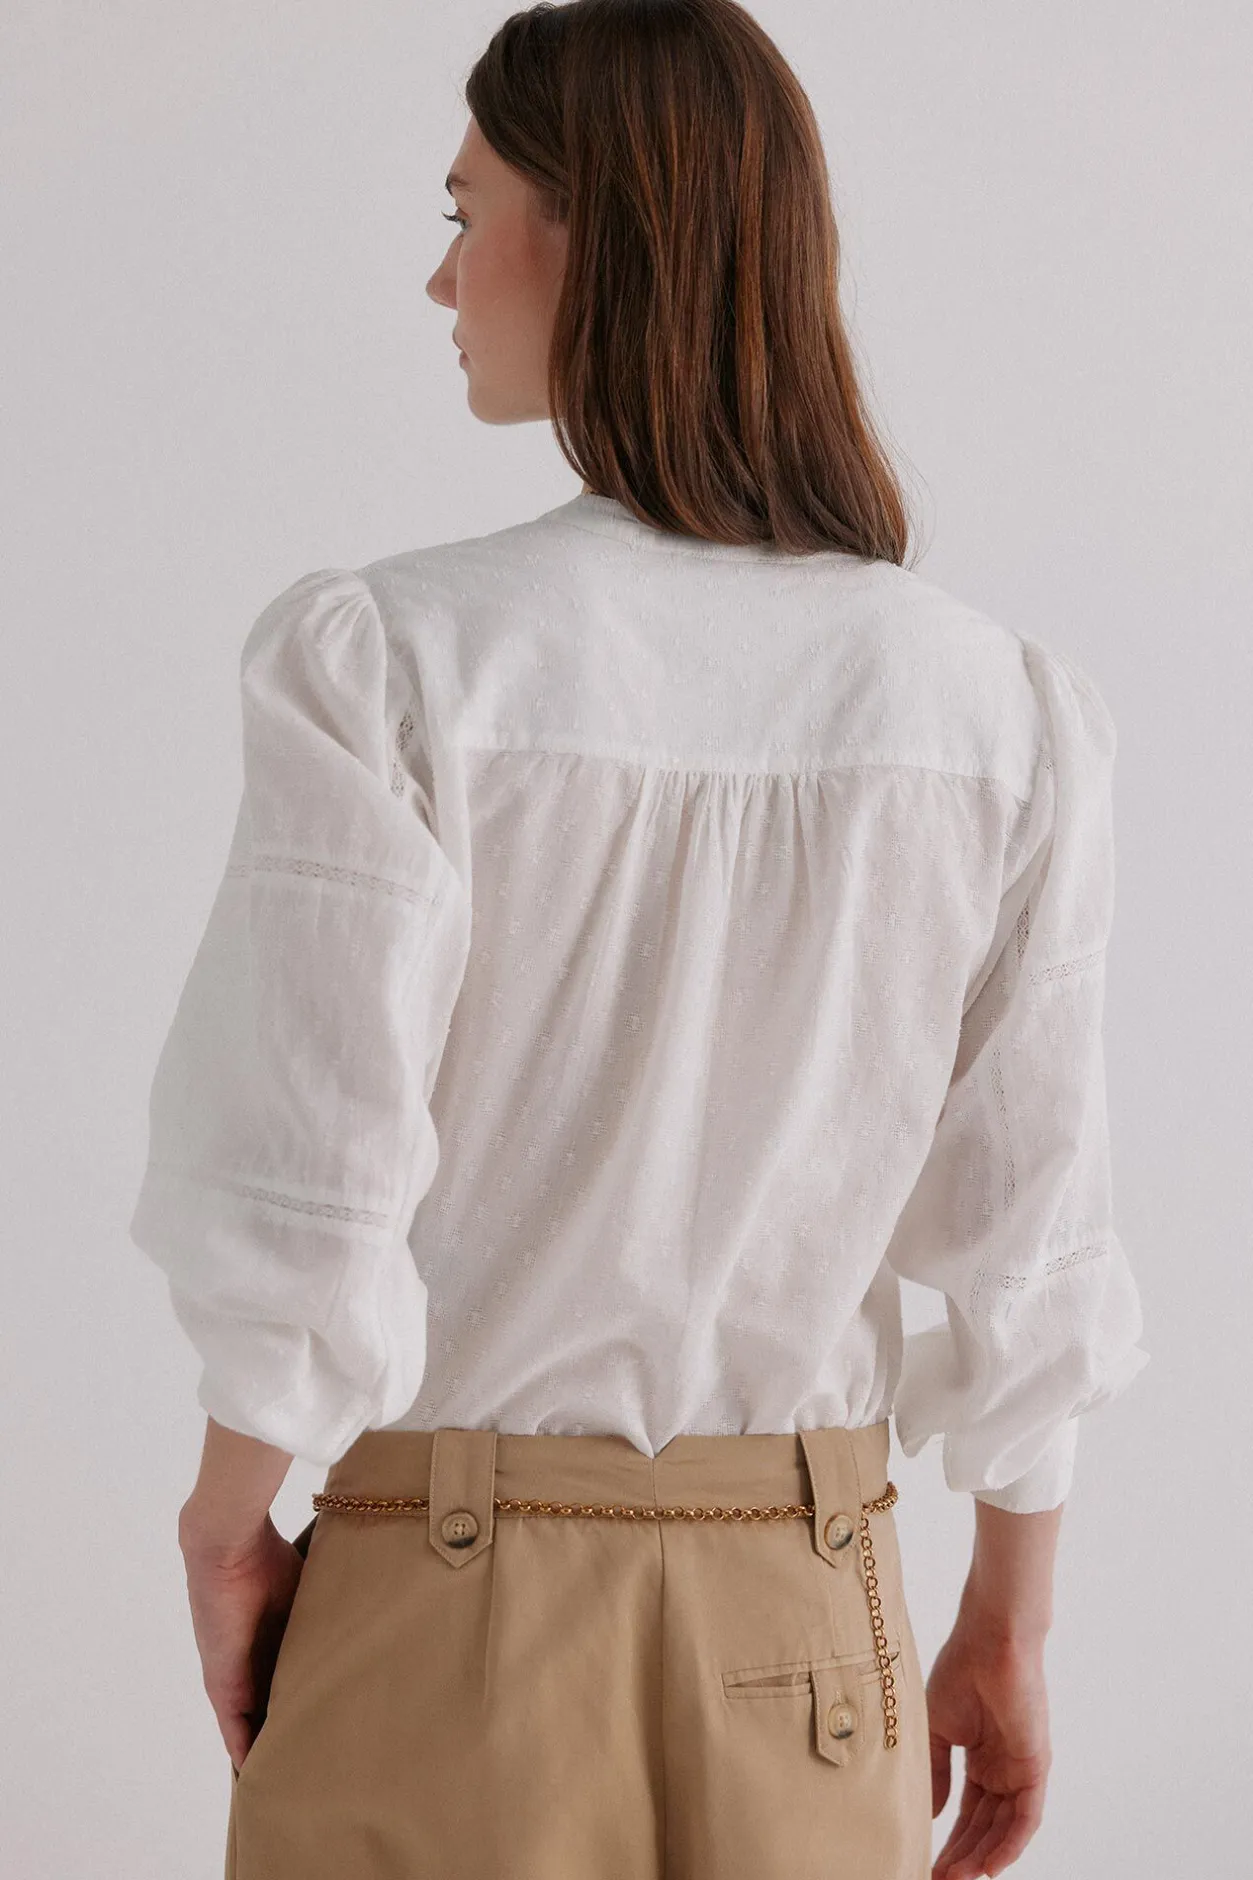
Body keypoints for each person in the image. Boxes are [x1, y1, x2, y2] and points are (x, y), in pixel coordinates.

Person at [128, 4, 1149, 1877]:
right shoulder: (992, 715)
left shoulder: (396, 666)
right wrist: (1008, 1624)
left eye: (464, 214)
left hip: (449, 1603)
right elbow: (1031, 1238)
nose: (441, 278)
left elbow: (311, 1184)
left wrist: (226, 1527)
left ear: (592, 231)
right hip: (810, 1613)